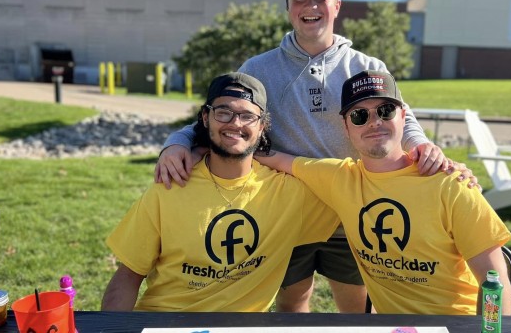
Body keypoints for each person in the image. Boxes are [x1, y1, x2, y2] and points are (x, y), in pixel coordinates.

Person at [154, 0, 477, 313]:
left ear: (336, 6)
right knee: (293, 304)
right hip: (284, 210)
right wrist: (178, 142)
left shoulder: (366, 68)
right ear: (289, 7)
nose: (310, 6)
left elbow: (403, 117)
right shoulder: (258, 69)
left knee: (354, 308)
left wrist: (423, 147)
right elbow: (222, 116)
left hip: (354, 209)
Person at [255, 70, 511, 314]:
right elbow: (279, 160)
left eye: (385, 111)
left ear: (403, 116)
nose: (374, 122)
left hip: (454, 324)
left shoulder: (451, 184)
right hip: (393, 326)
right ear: (346, 127)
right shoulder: (340, 179)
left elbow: (495, 280)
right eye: (359, 116)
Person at [101, 73, 340, 311]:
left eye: (248, 116)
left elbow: (354, 191)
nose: (235, 123)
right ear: (205, 118)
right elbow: (128, 276)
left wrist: (285, 161)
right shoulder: (170, 185)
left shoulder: (289, 194)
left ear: (262, 126)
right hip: (166, 322)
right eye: (223, 113)